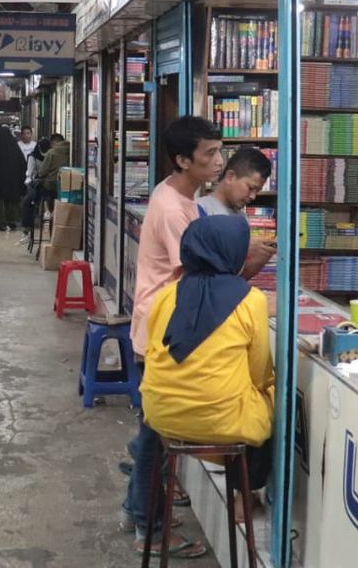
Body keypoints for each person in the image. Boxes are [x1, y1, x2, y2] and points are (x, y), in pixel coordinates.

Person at [121, 116, 222, 558]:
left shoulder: (178, 195)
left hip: (160, 327)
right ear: (183, 160)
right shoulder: (173, 209)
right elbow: (197, 274)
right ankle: (149, 525)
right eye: (210, 155)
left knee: (152, 431)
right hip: (162, 332)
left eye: (219, 152)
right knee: (156, 435)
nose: (218, 162)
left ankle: (137, 510)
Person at [142, 215, 274, 519]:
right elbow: (260, 373)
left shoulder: (166, 295)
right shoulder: (251, 301)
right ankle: (246, 495)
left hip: (161, 417)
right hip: (221, 424)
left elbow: (153, 353)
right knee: (272, 393)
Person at [197, 146, 277, 277]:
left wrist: (262, 256)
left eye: (257, 191)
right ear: (230, 176)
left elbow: (238, 277)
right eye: (251, 188)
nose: (253, 196)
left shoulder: (242, 219)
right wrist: (240, 248)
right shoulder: (199, 209)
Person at [20, 133, 69, 232]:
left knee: (28, 199)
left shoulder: (51, 153)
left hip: (49, 185)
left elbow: (42, 171)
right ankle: (50, 213)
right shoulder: (71, 150)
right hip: (65, 184)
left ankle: (30, 225)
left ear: (54, 142)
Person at [0, 126, 27, 232]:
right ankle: (12, 221)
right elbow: (23, 165)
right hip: (13, 182)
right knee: (12, 202)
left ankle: (0, 222)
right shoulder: (15, 148)